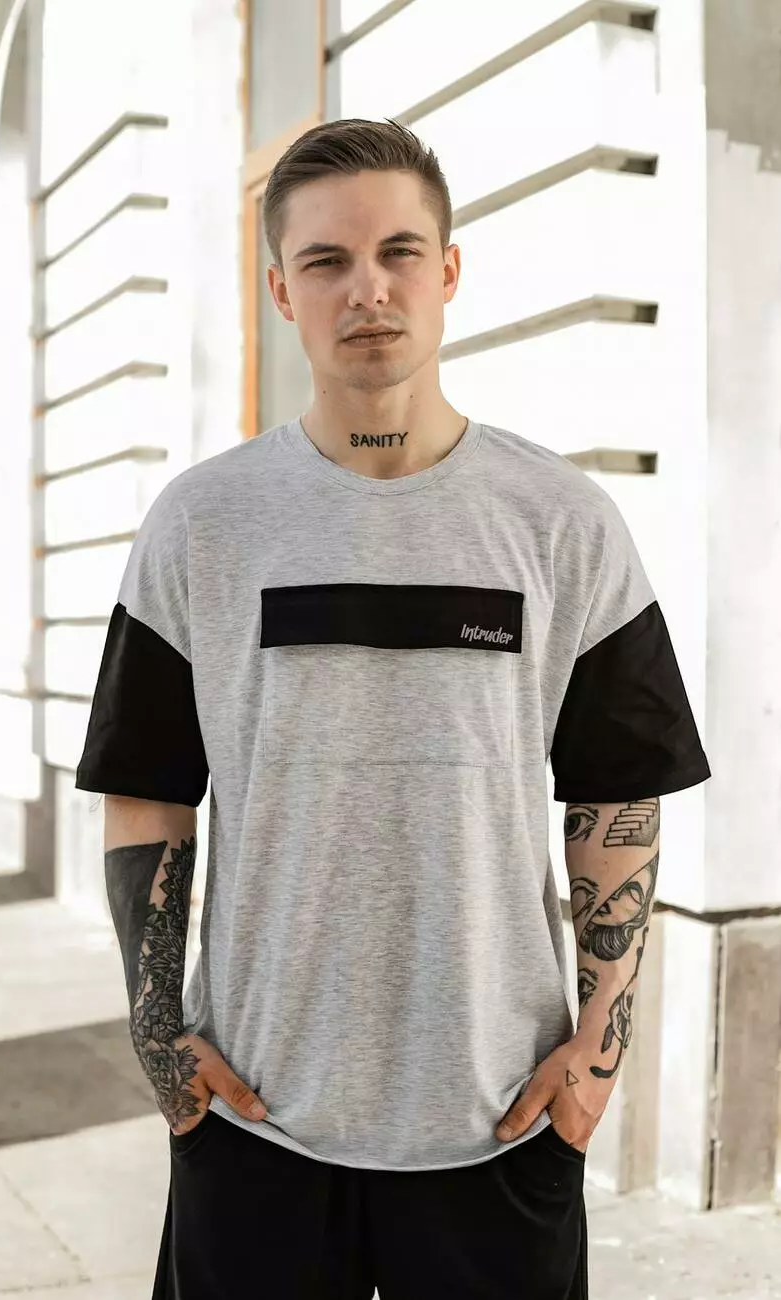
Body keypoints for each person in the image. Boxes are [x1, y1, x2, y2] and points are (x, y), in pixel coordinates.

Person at [74, 117, 711, 1299]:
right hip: (253, 1121)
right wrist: (159, 1034)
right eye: (325, 261)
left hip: (501, 1122)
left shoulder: (563, 522)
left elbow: (618, 795)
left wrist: (598, 1050)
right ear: (282, 290)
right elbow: (146, 789)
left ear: (449, 270)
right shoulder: (200, 525)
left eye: (399, 253)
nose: (367, 289)